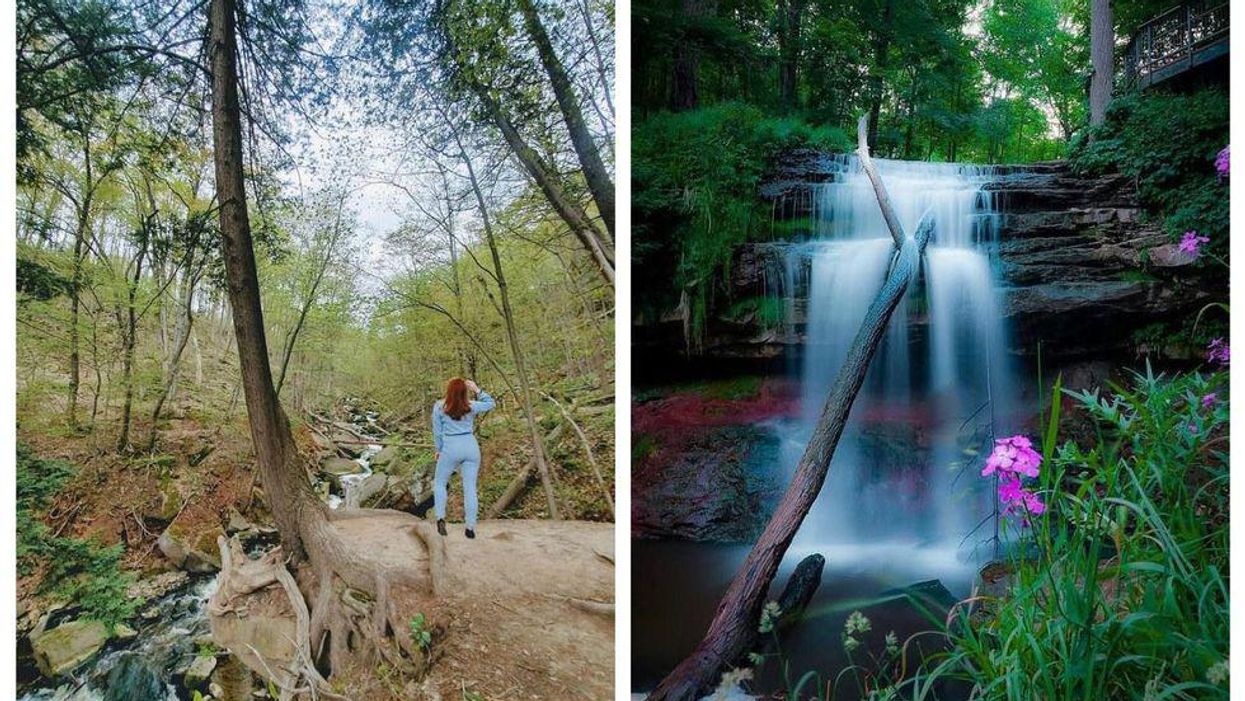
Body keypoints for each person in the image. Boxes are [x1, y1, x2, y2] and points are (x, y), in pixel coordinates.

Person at [431, 377, 495, 538]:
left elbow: (437, 433)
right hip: (470, 447)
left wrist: (438, 449)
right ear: (465, 391)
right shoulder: (471, 406)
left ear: (449, 390)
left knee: (440, 483)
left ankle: (440, 519)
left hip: (450, 447)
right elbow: (491, 403)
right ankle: (470, 528)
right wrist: (477, 389)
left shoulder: (439, 407)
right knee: (470, 488)